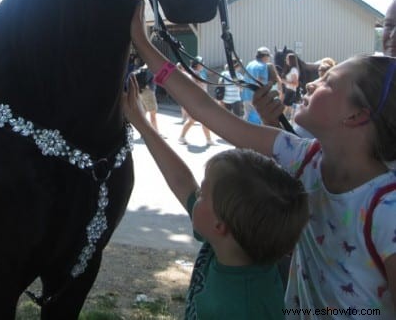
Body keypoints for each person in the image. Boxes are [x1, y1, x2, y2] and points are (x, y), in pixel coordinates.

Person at [129, 1, 396, 318]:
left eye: (329, 83)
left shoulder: (387, 209)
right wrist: (143, 45)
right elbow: (205, 110)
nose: (311, 83)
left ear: (356, 115)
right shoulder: (304, 157)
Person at [122, 73, 308, 319]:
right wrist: (140, 121)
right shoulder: (230, 239)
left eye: (203, 194)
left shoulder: (244, 307)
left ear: (220, 225)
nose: (196, 194)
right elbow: (180, 180)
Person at [178, 58, 216, 146]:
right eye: (202, 64)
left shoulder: (190, 72)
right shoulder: (195, 74)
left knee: (193, 120)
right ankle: (208, 140)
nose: (203, 65)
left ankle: (182, 137)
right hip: (198, 102)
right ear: (198, 65)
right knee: (203, 121)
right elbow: (200, 87)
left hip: (196, 101)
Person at [240, 46, 271, 124]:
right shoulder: (263, 66)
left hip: (246, 95)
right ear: (265, 56)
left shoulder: (250, 64)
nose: (268, 59)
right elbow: (262, 83)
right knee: (259, 119)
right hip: (257, 97)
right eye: (268, 56)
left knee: (246, 116)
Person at [281, 52, 300, 121]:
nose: (286, 60)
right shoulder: (291, 69)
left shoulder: (293, 70)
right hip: (289, 91)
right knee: (287, 110)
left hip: (291, 91)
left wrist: (284, 81)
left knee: (286, 110)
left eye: (287, 59)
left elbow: (295, 83)